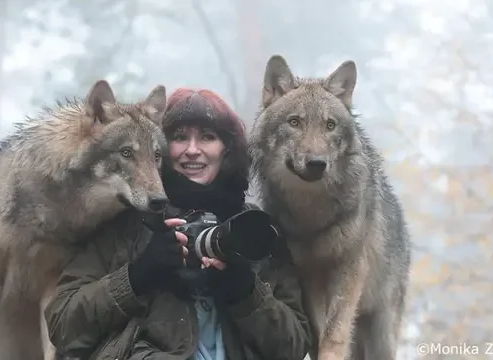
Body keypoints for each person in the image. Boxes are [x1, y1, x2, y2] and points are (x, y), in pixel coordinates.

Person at [44, 88, 312, 360]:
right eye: (180, 137)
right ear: (158, 148)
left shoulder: (256, 229)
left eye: (208, 137)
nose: (192, 150)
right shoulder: (124, 223)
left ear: (226, 149)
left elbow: (295, 348)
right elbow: (63, 327)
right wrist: (137, 277)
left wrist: (245, 289)